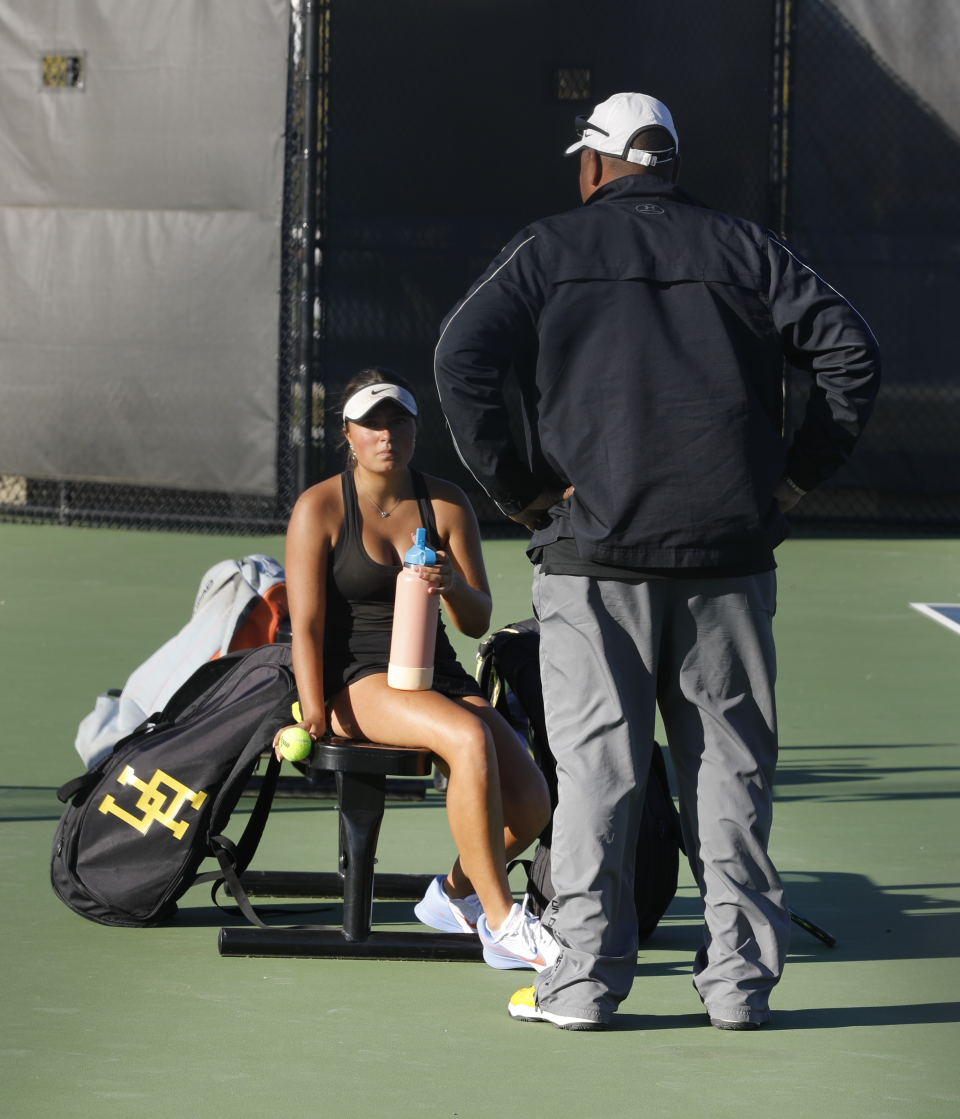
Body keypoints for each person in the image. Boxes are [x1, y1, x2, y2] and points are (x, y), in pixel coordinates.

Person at [434, 93, 880, 1030]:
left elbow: (458, 355)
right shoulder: (746, 248)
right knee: (730, 773)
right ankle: (740, 989)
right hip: (728, 557)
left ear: (595, 167)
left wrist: (518, 491)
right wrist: (791, 483)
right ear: (671, 163)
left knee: (599, 774)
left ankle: (587, 984)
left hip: (592, 560)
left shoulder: (551, 247)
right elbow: (852, 353)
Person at [281, 366, 553, 969]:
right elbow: (306, 625)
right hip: (356, 680)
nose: (386, 435)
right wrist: (314, 706)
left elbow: (475, 621)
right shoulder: (319, 507)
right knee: (468, 737)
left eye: (398, 421)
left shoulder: (446, 502)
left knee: (533, 804)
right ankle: (504, 921)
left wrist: (451, 583)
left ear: (414, 430)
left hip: (440, 676)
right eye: (371, 423)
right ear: (347, 434)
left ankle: (451, 898)